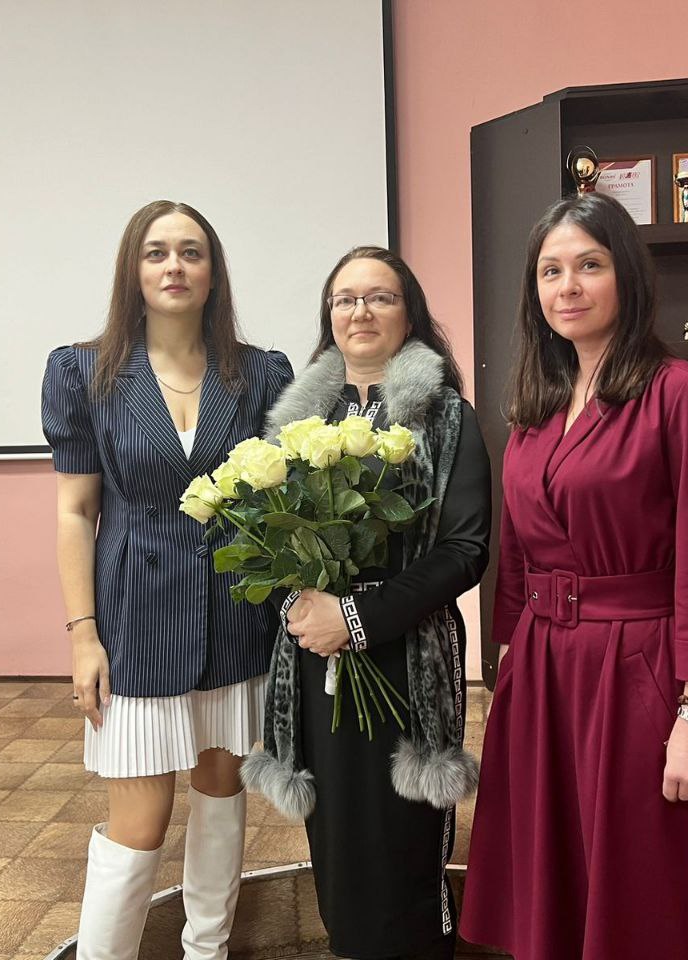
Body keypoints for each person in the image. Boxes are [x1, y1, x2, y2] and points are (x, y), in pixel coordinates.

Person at [460, 193, 688, 960]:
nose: (568, 286)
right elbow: (519, 550)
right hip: (543, 669)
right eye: (550, 271)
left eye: (589, 265)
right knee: (551, 881)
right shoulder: (535, 409)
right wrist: (510, 658)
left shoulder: (685, 394)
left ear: (627, 275)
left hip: (638, 668)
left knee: (640, 882)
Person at [40, 200, 293, 960]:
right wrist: (82, 636)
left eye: (191, 252)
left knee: (221, 791)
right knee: (139, 823)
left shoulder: (259, 374)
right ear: (134, 269)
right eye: (156, 252)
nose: (174, 266)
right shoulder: (83, 372)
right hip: (134, 616)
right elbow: (75, 512)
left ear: (213, 272)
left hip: (234, 614)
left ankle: (206, 950)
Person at [241, 246, 491, 960]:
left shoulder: (447, 418)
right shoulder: (293, 427)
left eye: (380, 297)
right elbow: (269, 536)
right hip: (312, 658)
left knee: (400, 834)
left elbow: (465, 548)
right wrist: (299, 602)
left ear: (409, 313)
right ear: (329, 315)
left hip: (404, 658)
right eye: (345, 299)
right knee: (337, 830)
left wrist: (356, 619)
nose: (360, 311)